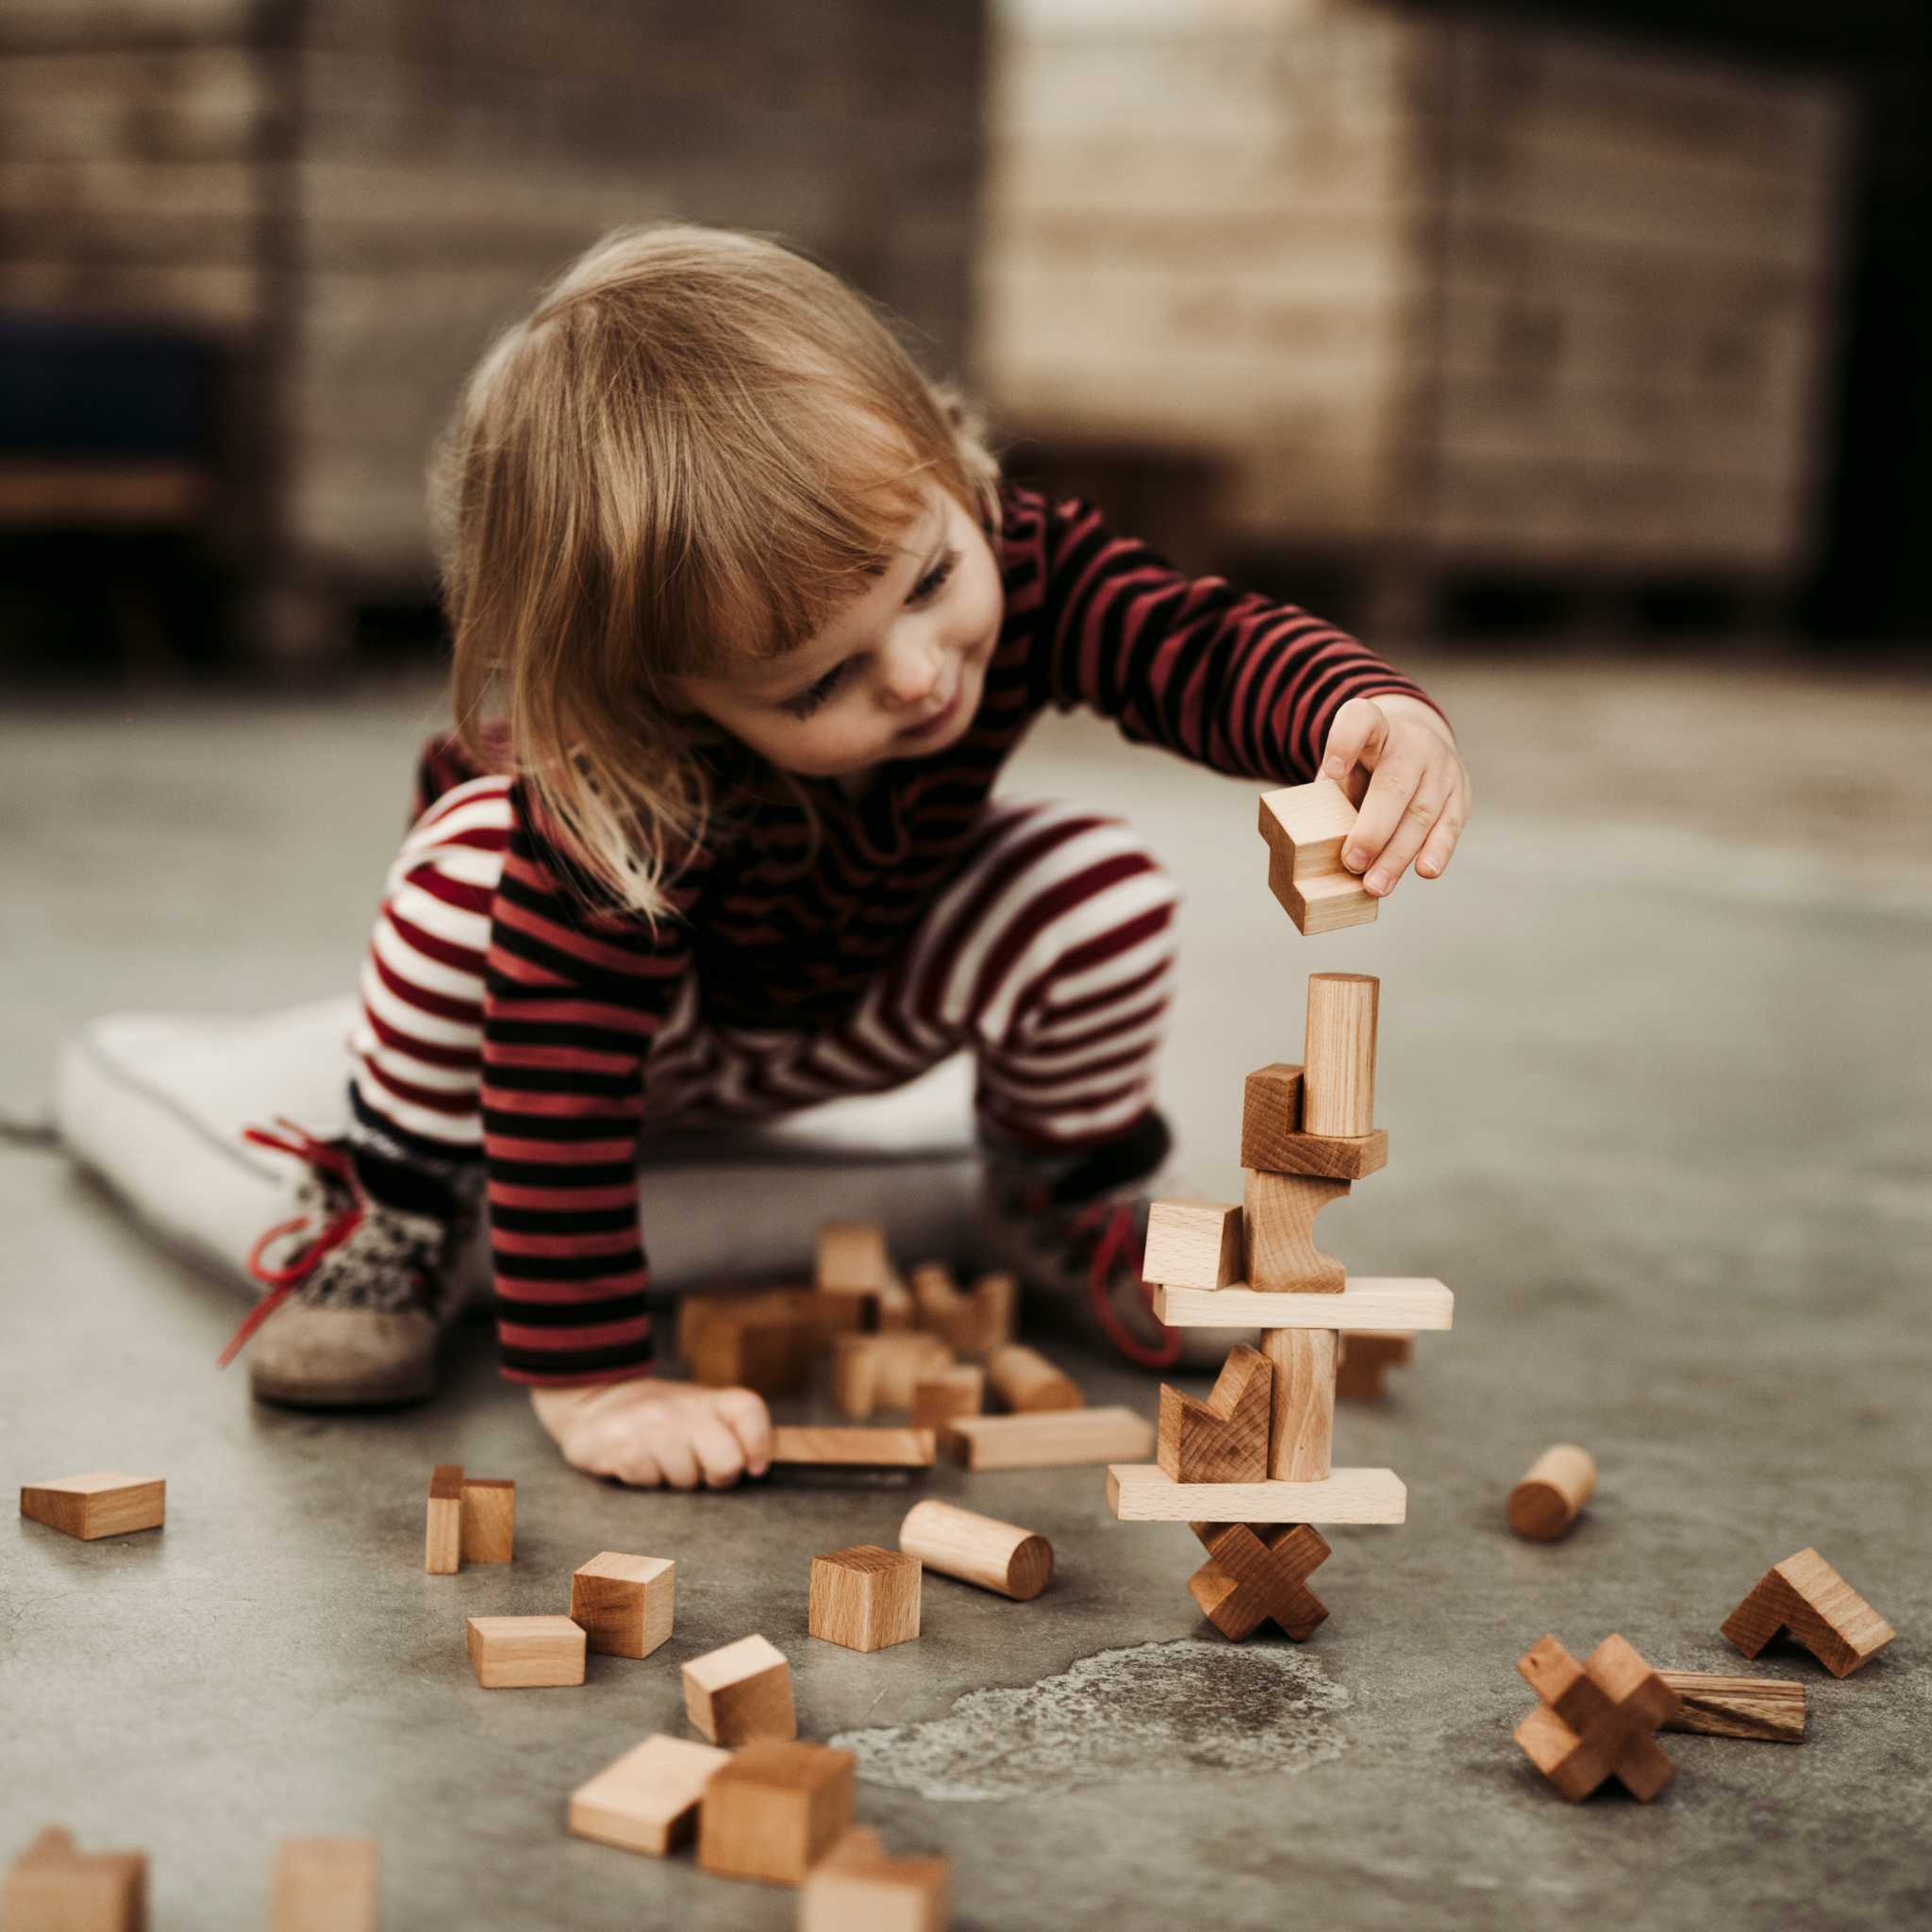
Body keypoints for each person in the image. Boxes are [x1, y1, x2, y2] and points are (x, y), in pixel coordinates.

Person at [223, 223, 1472, 1490]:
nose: (921, 674)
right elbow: (554, 1065)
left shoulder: (1009, 545)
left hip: (842, 1007)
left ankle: (1060, 1200)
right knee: (466, 873)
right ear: (665, 689)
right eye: (822, 680)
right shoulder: (625, 779)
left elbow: (1186, 645)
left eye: (930, 579)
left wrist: (1347, 709)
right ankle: (398, 1206)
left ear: (941, 463)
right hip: (626, 1045)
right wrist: (596, 1382)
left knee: (1097, 882)